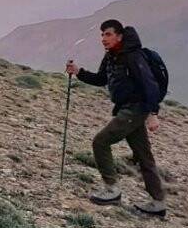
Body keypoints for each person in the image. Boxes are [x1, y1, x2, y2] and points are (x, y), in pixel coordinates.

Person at [66, 20, 166, 217]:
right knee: (143, 155)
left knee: (100, 142)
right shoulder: (112, 56)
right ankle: (158, 202)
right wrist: (79, 72)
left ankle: (112, 190)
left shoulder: (132, 56)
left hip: (135, 110)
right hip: (126, 109)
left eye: (108, 34)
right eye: (102, 34)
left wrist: (154, 114)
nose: (104, 39)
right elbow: (102, 79)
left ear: (119, 36)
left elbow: (150, 85)